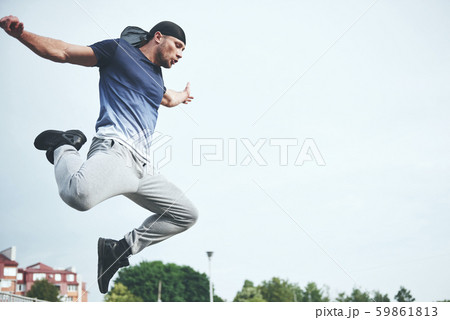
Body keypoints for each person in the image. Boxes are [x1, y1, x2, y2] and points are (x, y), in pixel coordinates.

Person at [0, 15, 199, 294]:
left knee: (185, 214)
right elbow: (64, 51)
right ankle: (63, 144)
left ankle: (118, 250)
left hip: (142, 169)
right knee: (78, 195)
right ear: (158, 37)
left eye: (183, 51)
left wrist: (183, 94)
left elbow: (169, 99)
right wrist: (22, 35)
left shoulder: (157, 81)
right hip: (114, 150)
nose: (179, 54)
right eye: (177, 45)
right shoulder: (118, 52)